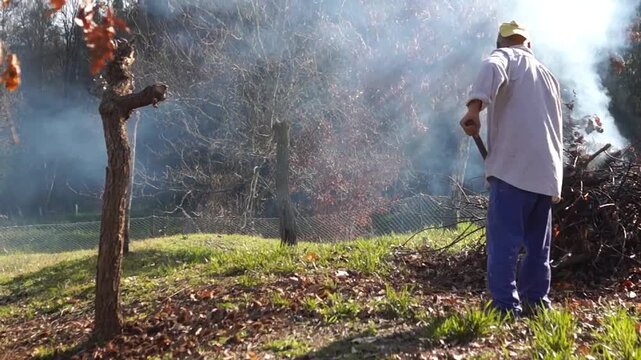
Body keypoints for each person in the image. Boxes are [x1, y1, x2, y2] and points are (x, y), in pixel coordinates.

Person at [460, 21, 563, 316]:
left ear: (502, 42)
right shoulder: (548, 75)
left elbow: (492, 66)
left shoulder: (505, 56)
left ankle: (506, 308)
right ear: (529, 44)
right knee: (537, 248)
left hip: (513, 171)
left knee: (504, 244)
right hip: (546, 174)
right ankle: (537, 304)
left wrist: (473, 109)